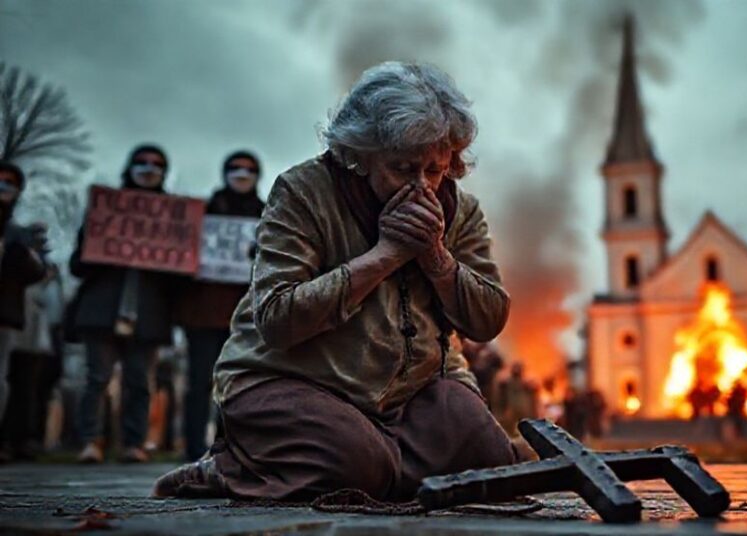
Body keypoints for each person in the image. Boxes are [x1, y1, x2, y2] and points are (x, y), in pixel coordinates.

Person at [153, 62, 516, 501]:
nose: (423, 188)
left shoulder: (461, 210)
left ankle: (382, 462)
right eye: (402, 168)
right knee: (357, 464)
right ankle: (229, 468)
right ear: (360, 156)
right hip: (290, 381)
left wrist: (436, 258)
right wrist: (384, 256)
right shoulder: (302, 191)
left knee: (490, 459)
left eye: (435, 170)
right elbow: (277, 320)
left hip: (409, 393)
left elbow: (489, 318)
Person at [69, 145, 182, 463]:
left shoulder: (173, 220)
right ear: (129, 167)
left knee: (139, 382)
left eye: (157, 164)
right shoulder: (105, 213)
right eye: (142, 163)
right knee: (96, 379)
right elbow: (76, 266)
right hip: (101, 312)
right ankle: (90, 442)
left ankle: (133, 444)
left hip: (148, 316)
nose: (149, 168)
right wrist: (102, 251)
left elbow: (181, 279)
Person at [176, 151, 265, 461]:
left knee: (238, 385)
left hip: (247, 318)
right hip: (201, 314)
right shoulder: (202, 213)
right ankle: (192, 449)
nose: (241, 174)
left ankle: (227, 447)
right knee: (199, 382)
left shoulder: (269, 214)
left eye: (248, 169)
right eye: (235, 168)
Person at [0, 161, 49, 461]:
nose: (3, 187)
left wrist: (22, 251)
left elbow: (36, 273)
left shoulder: (19, 234)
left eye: (9, 182)